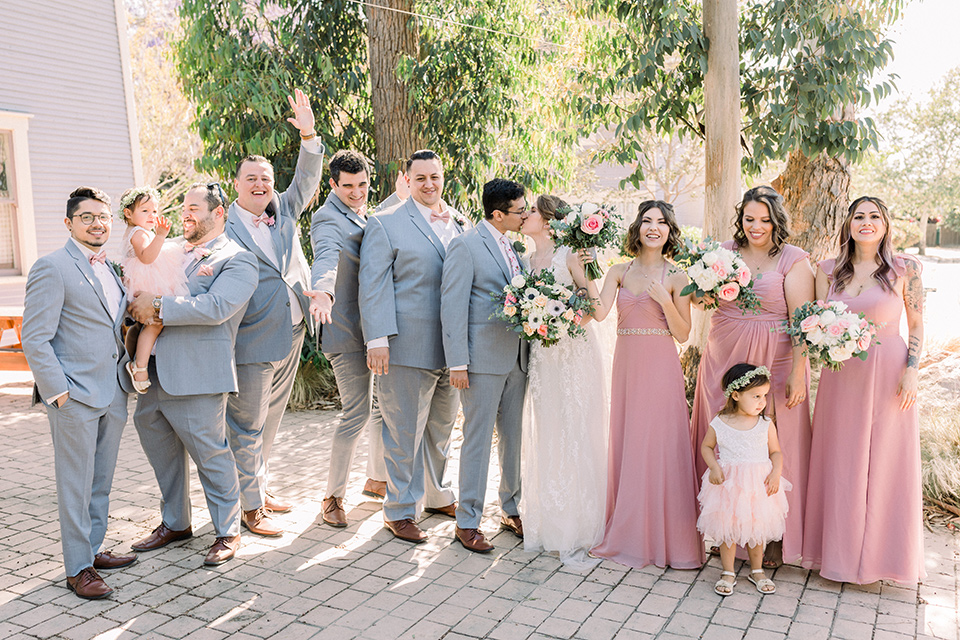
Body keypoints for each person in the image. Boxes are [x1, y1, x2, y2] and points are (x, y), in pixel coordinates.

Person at [127, 183, 258, 567]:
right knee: (162, 455)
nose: (185, 212)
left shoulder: (238, 259)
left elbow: (216, 307)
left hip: (199, 375)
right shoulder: (168, 251)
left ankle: (228, 531)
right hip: (152, 375)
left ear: (219, 213)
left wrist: (157, 306)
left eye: (194, 207)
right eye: (183, 206)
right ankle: (176, 523)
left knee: (211, 456)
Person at [802, 196, 925, 584]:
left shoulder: (906, 269)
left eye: (874, 216)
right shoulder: (827, 271)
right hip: (842, 376)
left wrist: (912, 370)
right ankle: (835, 555)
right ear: (849, 224)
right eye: (859, 216)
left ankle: (882, 559)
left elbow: (917, 325)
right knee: (841, 460)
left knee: (885, 461)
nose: (866, 222)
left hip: (889, 370)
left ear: (886, 224)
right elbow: (811, 323)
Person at [689, 185, 813, 566]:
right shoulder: (723, 252)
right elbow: (697, 297)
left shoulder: (793, 260)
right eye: (749, 218)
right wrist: (706, 292)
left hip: (773, 363)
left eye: (765, 219)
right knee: (723, 436)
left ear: (777, 220)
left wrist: (797, 370)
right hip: (723, 355)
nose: (756, 226)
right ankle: (720, 528)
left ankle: (773, 536)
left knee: (774, 443)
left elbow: (802, 322)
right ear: (740, 219)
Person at [22, 187, 136, 599]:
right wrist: (59, 394)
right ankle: (77, 568)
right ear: (69, 223)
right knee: (75, 483)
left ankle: (93, 549)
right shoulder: (52, 267)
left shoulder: (113, 268)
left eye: (103, 216)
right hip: (75, 398)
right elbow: (34, 337)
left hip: (115, 391)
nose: (97, 223)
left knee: (100, 480)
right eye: (87, 217)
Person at [224, 89, 325, 536]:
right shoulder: (220, 225)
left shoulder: (282, 211)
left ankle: (259, 489)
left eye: (265, 178)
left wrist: (308, 133)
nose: (261, 185)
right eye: (252, 179)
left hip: (293, 330)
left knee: (272, 421)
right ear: (236, 185)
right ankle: (248, 508)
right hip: (249, 338)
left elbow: (305, 180)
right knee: (246, 425)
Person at [589, 201, 705, 570]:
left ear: (670, 231)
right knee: (630, 441)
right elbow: (599, 312)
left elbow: (684, 334)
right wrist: (584, 271)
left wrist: (664, 301)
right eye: (647, 221)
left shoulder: (678, 277)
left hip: (660, 366)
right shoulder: (619, 271)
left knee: (659, 443)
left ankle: (668, 539)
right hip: (626, 365)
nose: (653, 228)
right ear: (637, 228)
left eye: (661, 223)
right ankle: (628, 531)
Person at [358, 150, 463, 543]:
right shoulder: (385, 224)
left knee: (440, 428)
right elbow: (373, 285)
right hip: (403, 346)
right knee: (403, 432)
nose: (429, 184)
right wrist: (377, 339)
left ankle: (437, 495)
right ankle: (400, 509)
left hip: (452, 350)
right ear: (407, 179)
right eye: (420, 178)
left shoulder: (460, 221)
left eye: (435, 177)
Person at [307, 150, 405, 526]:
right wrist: (322, 291)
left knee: (381, 410)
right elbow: (327, 258)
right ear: (333, 185)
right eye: (348, 186)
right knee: (356, 414)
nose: (357, 192)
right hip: (346, 331)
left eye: (363, 184)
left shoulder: (361, 210)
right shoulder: (326, 219)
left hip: (375, 330)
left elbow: (374, 224)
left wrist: (398, 197)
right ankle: (332, 497)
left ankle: (377, 480)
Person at [516, 195, 607, 568]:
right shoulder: (525, 261)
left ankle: (578, 527)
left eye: (532, 211)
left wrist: (560, 323)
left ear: (550, 220)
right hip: (542, 357)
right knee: (548, 432)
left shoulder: (569, 255)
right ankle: (550, 524)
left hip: (572, 353)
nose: (525, 216)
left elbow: (596, 308)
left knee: (574, 431)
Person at [440, 178, 529, 554]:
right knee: (477, 440)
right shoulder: (465, 246)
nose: (525, 216)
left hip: (518, 361)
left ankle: (511, 508)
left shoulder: (515, 249)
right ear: (497, 213)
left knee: (513, 438)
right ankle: (468, 521)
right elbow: (452, 307)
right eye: (519, 211)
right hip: (480, 362)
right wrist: (457, 362)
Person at [698, 363, 791, 597]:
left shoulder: (765, 424)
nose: (762, 402)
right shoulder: (720, 422)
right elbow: (706, 447)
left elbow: (776, 452)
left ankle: (757, 570)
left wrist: (775, 472)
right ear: (736, 395)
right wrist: (714, 467)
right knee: (727, 528)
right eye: (756, 396)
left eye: (764, 396)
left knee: (756, 527)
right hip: (728, 484)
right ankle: (728, 572)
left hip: (758, 485)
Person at [116, 186, 189, 393]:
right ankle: (139, 366)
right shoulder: (138, 233)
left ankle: (140, 360)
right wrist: (160, 236)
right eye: (145, 210)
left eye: (155, 211)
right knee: (155, 323)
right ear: (128, 214)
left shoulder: (139, 231)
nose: (152, 215)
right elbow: (147, 257)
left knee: (153, 324)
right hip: (146, 282)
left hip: (149, 280)